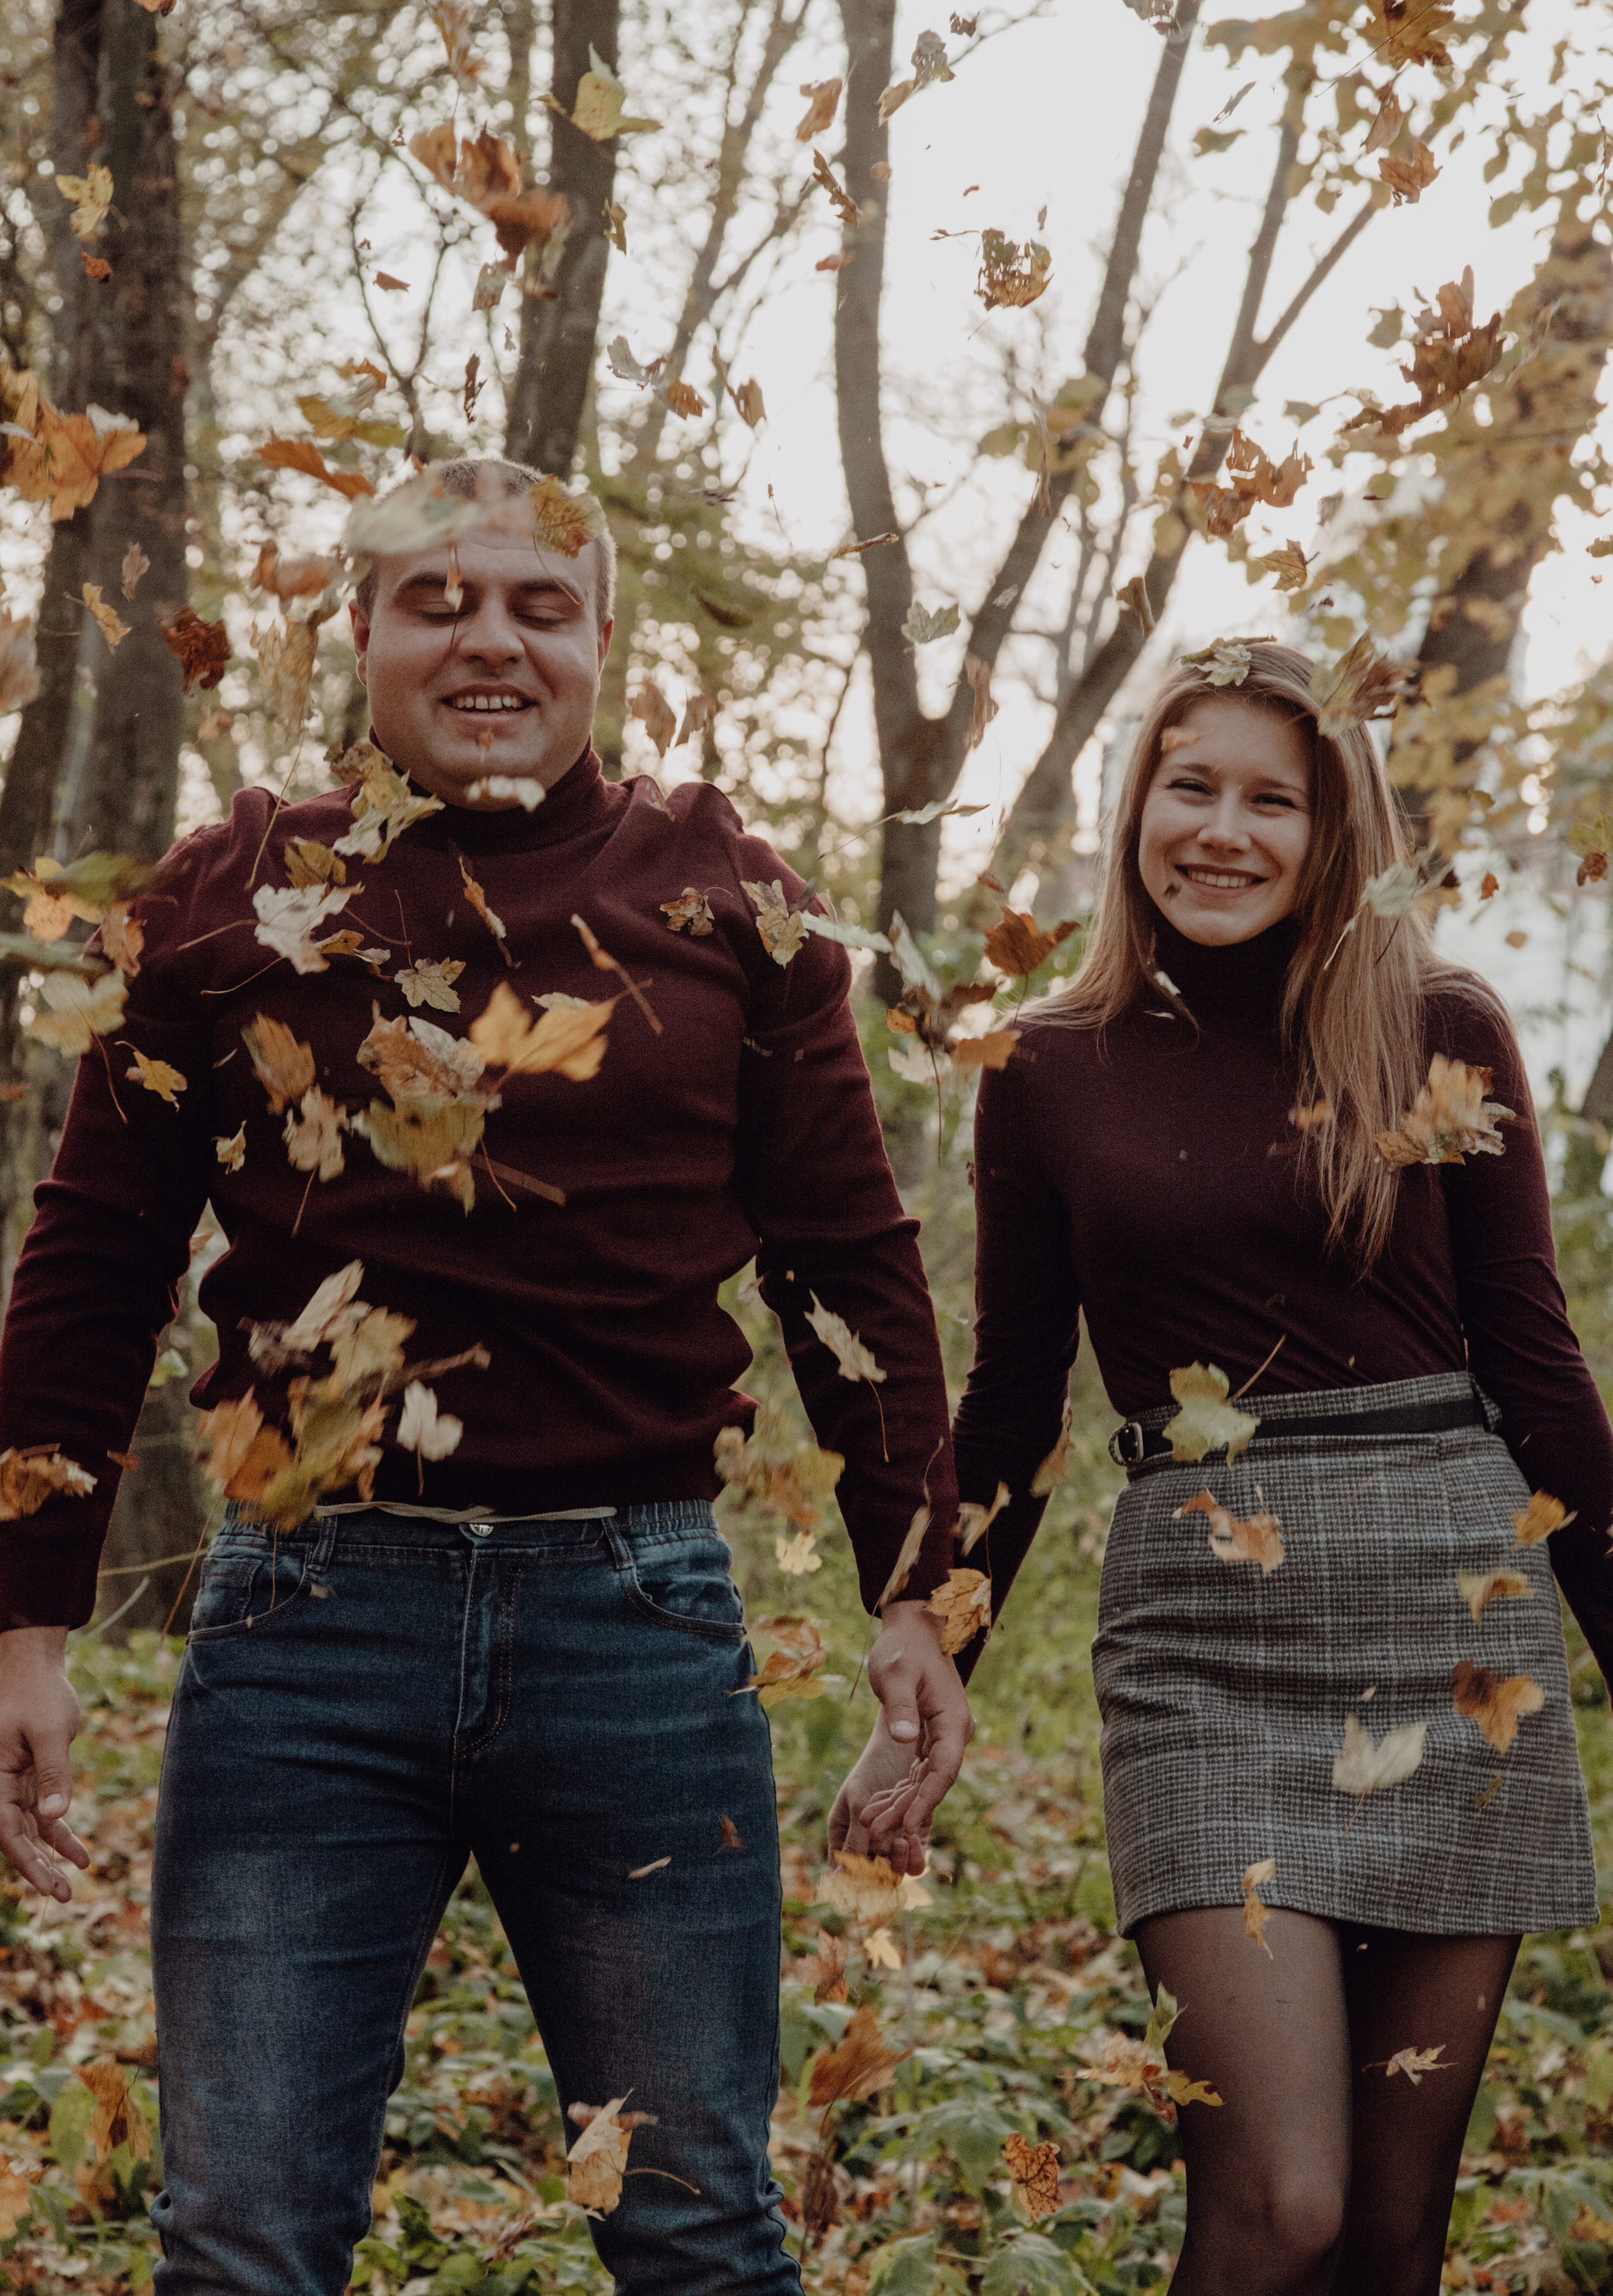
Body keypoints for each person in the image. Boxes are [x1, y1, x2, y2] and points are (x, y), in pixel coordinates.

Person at [0, 456, 972, 2296]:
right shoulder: (232, 895)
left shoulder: (727, 895)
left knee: (696, 2229)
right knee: (243, 2240)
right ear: (359, 633)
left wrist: (918, 1591)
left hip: (639, 1629)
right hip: (304, 1632)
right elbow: (91, 1265)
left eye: (539, 604)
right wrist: (23, 1621)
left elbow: (849, 1263)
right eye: (435, 601)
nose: (489, 641)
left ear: (604, 643)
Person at [934, 642, 1613, 2296]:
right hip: (1206, 1649)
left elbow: (1537, 1368)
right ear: (1136, 808)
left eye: (1272, 800)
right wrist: (929, 1649)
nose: (1223, 832)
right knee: (1280, 2205)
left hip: (1455, 1631)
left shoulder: (1441, 1025)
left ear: (1334, 831)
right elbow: (1013, 1402)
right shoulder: (1046, 1066)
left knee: (1388, 2234)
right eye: (1191, 788)